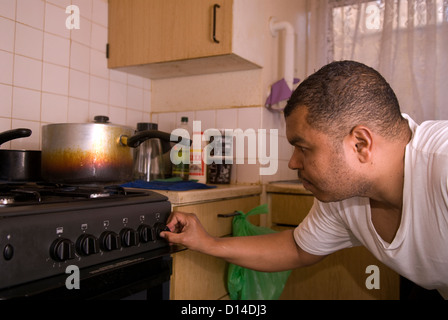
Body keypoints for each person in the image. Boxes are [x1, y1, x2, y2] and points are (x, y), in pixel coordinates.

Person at [160, 60, 448, 299]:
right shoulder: (344, 193)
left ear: (360, 144)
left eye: (303, 148)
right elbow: (297, 248)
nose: (293, 162)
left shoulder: (442, 165)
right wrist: (207, 242)